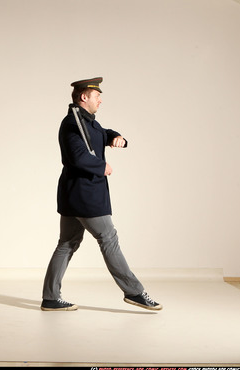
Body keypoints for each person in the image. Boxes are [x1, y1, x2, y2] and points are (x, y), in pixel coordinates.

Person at [41, 77, 162, 312]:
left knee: (67, 243)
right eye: (96, 96)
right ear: (84, 97)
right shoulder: (73, 122)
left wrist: (117, 137)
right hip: (84, 195)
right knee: (108, 239)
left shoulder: (87, 121)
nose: (100, 100)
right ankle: (135, 292)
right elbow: (75, 156)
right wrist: (100, 166)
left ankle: (50, 298)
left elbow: (101, 133)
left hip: (75, 194)